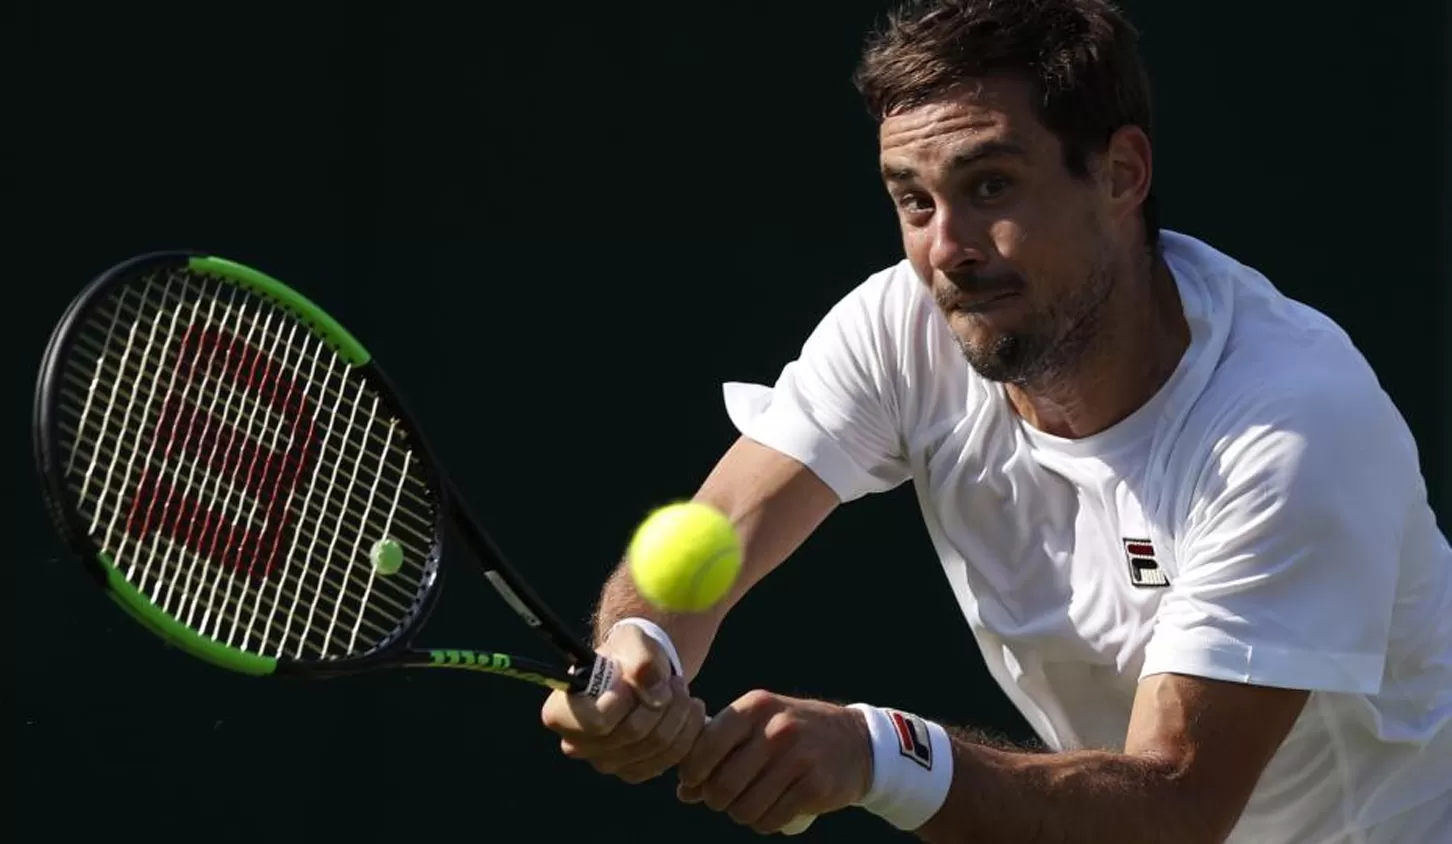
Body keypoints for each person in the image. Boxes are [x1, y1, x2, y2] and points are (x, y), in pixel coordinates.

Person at [539, 0, 1452, 840]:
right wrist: (642, 644)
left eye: (991, 187)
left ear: (1121, 174)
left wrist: (880, 752)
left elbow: (1175, 806)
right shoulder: (905, 324)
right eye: (913, 200)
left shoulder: (1289, 431)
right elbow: (719, 529)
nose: (947, 250)